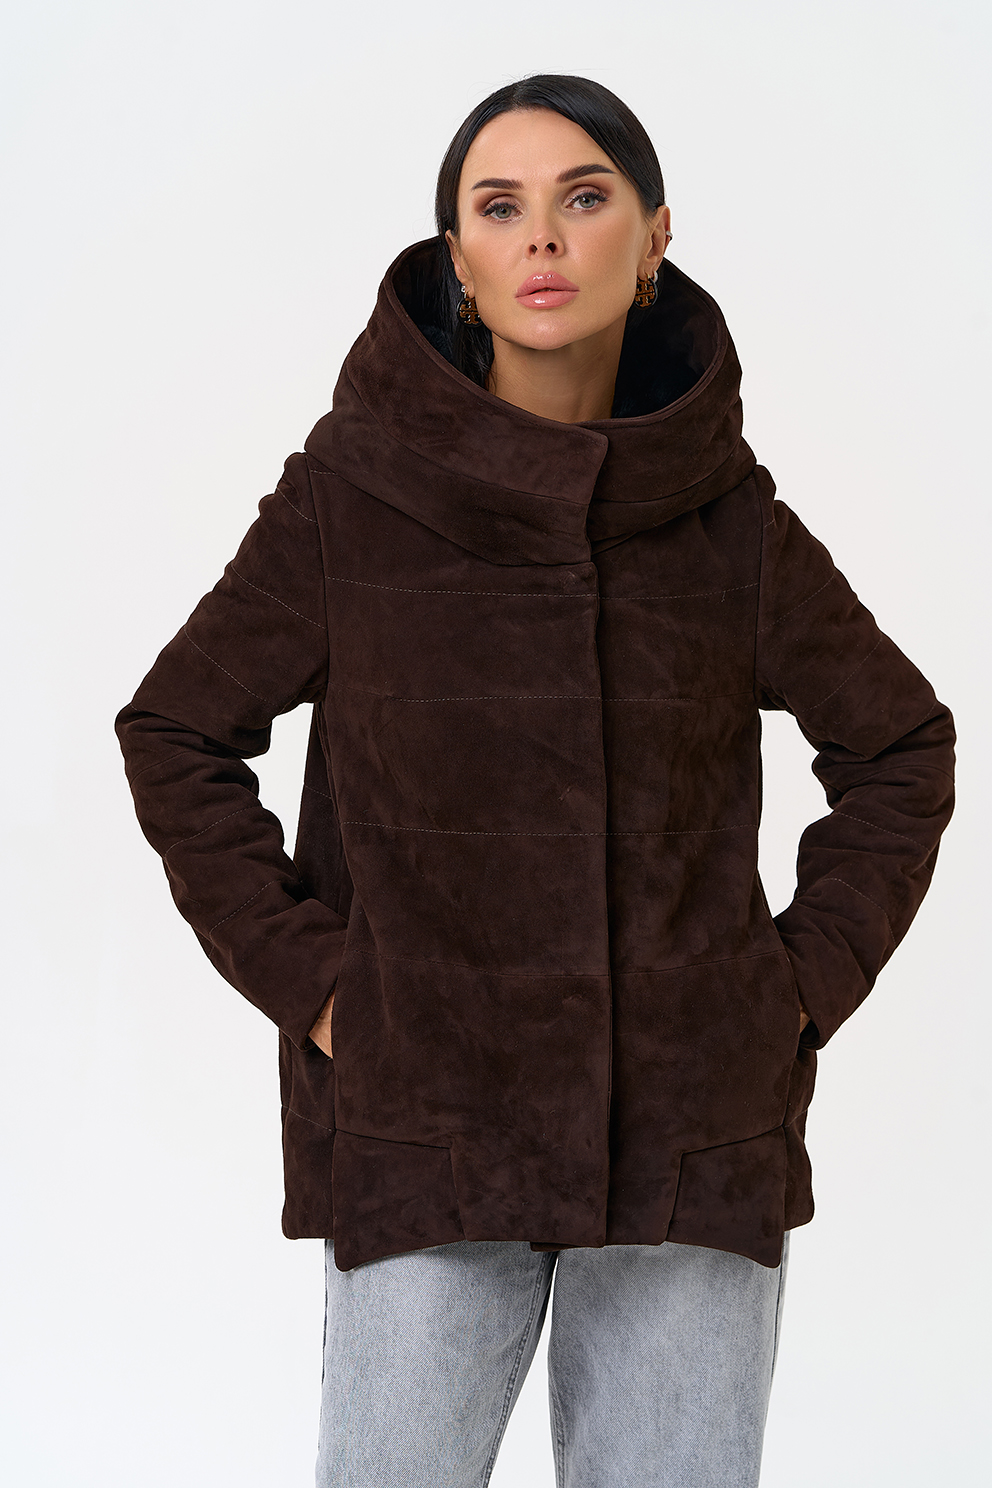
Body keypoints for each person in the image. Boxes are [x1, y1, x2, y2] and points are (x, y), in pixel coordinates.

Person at [115, 74, 955, 1488]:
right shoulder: (351, 494)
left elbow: (900, 749)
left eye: (585, 198)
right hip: (428, 1130)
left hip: (691, 1139)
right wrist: (326, 990)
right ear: (460, 259)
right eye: (500, 209)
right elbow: (177, 731)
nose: (544, 239)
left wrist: (788, 993)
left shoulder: (730, 519)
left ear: (656, 236)